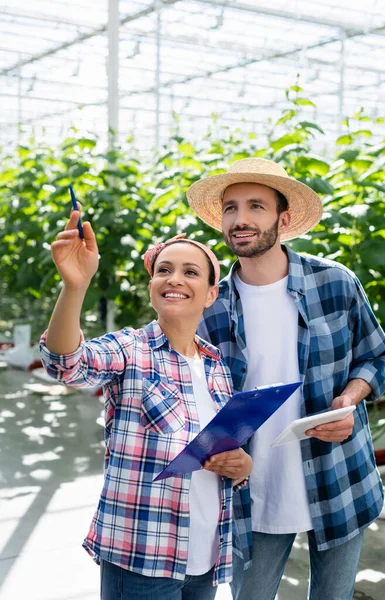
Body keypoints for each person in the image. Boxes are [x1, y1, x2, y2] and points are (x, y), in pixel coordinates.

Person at [187, 157, 385, 600]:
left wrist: (350, 400)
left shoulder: (335, 282)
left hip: (338, 478)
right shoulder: (210, 306)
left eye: (256, 207)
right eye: (230, 208)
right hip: (251, 489)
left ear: (283, 218)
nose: (240, 219)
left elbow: (374, 356)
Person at [39, 209, 253, 600]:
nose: (174, 279)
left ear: (210, 294)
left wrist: (242, 466)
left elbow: (224, 451)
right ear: (152, 285)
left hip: (205, 555)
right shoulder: (131, 349)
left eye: (191, 272)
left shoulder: (217, 365)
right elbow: (65, 363)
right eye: (164, 270)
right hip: (142, 556)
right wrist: (75, 286)